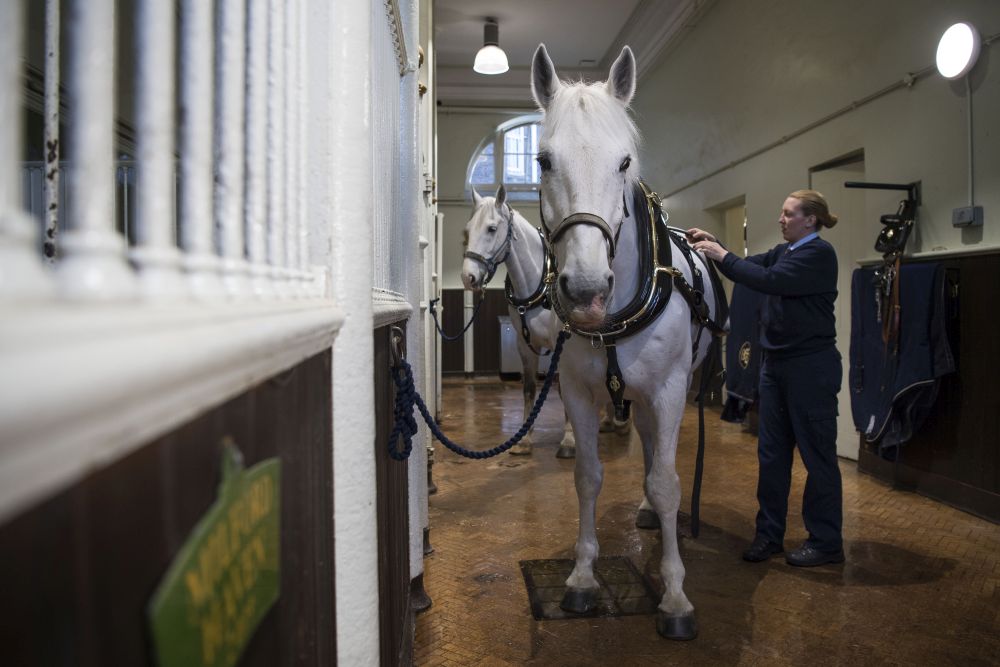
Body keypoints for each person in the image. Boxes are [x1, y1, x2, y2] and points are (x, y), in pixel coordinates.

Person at [688, 190, 844, 567]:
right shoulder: (785, 251)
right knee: (771, 455)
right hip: (776, 367)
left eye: (789, 214)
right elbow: (746, 267)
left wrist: (720, 254)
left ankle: (826, 542)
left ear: (811, 220)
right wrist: (713, 244)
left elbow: (768, 280)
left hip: (810, 368)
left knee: (817, 457)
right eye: (782, 213)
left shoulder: (818, 254)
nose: (781, 219)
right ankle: (769, 535)